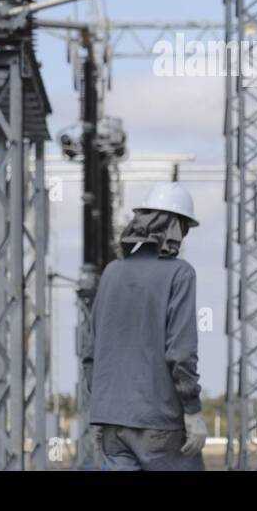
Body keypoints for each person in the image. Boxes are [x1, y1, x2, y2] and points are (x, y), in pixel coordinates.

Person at [91, 181, 209, 471]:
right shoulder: (180, 274)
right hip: (160, 422)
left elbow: (92, 350)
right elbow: (181, 353)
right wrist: (192, 411)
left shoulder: (111, 273)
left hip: (112, 424)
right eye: (184, 227)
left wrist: (100, 411)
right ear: (175, 226)